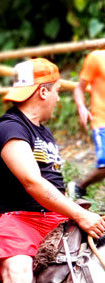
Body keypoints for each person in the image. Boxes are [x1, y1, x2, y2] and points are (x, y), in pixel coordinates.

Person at [0, 59, 105, 283]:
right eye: (56, 92)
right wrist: (79, 213)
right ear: (42, 91)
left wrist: (76, 211)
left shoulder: (42, 132)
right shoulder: (10, 129)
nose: (59, 99)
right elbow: (33, 183)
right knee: (19, 269)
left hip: (52, 216)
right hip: (15, 218)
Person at [69, 50, 105, 199]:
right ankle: (79, 186)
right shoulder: (96, 58)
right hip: (101, 120)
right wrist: (81, 107)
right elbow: (79, 88)